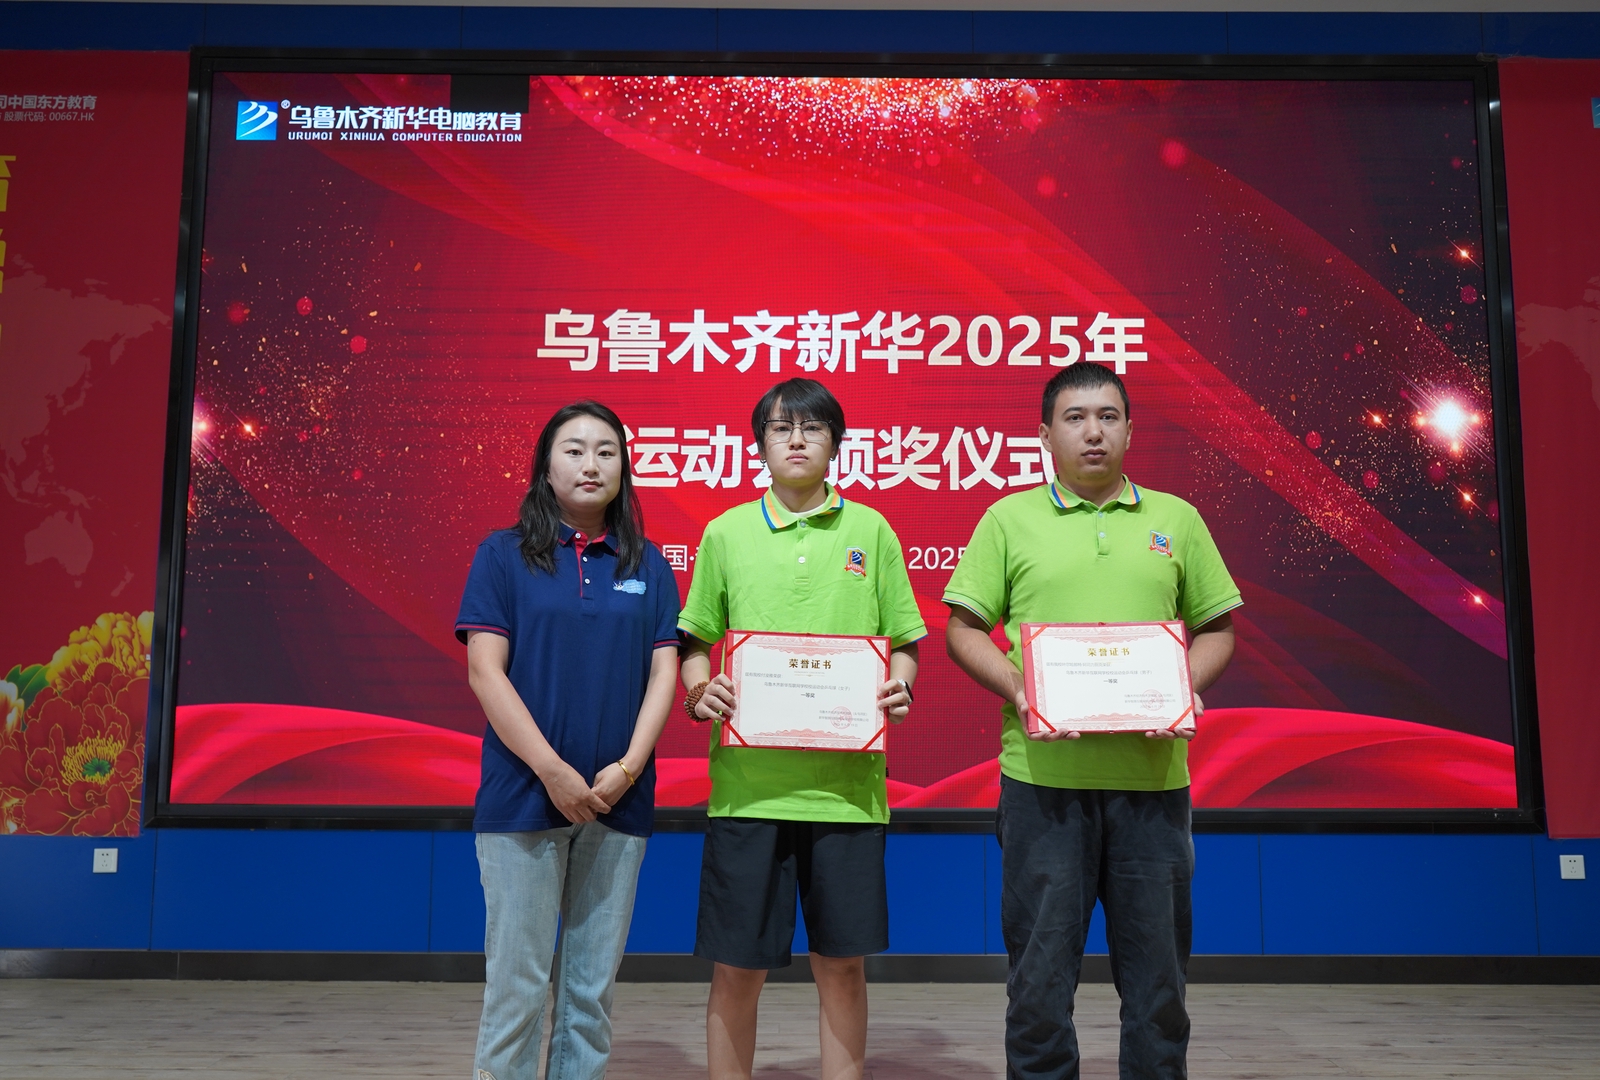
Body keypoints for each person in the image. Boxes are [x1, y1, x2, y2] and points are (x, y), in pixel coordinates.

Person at [943, 363, 1241, 1080]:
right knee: (1039, 987)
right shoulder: (1007, 520)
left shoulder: (1176, 520)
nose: (1093, 431)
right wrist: (1021, 688)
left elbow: (1218, 630)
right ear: (1045, 435)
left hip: (1152, 787)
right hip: (1043, 786)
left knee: (1159, 987)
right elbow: (962, 630)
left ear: (1131, 430)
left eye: (1108, 416)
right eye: (1074, 418)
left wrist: (1181, 686)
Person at [677, 377, 927, 1080]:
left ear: (835, 444)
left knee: (842, 967)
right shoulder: (726, 532)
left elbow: (905, 639)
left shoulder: (870, 531)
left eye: (812, 428)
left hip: (846, 794)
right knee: (737, 970)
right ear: (758, 444)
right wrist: (700, 690)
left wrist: (899, 684)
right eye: (781, 428)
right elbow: (695, 642)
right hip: (748, 793)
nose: (796, 439)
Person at [455, 400, 681, 1080]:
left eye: (607, 452)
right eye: (574, 450)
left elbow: (664, 673)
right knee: (517, 989)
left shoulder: (649, 564)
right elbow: (485, 672)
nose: (591, 464)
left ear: (624, 469)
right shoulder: (502, 556)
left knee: (590, 993)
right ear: (545, 466)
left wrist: (629, 768)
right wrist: (552, 771)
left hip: (618, 801)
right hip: (523, 797)